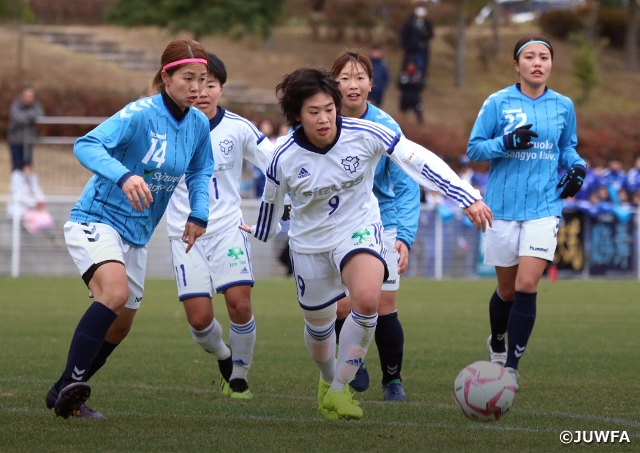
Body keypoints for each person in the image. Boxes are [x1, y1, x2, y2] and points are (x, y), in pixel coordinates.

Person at [240, 67, 492, 421]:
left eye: (330, 108)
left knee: (369, 299)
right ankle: (329, 383)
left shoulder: (368, 132)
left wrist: (465, 196)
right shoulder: (283, 157)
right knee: (319, 326)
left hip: (358, 228)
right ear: (298, 115)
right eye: (314, 112)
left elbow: (418, 160)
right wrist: (261, 231)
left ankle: (342, 389)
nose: (325, 118)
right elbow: (271, 204)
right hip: (309, 245)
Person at [45, 38, 214, 419]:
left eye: (202, 80)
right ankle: (73, 390)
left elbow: (201, 169)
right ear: (165, 77)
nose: (196, 88)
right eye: (188, 78)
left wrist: (198, 213)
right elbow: (87, 145)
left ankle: (61, 390)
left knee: (120, 327)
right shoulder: (140, 114)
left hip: (138, 235)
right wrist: (123, 177)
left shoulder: (198, 124)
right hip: (97, 219)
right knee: (114, 293)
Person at [467, 35, 587, 390]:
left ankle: (512, 367)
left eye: (545, 57)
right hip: (502, 207)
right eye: (530, 57)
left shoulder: (563, 105)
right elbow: (474, 149)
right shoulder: (498, 102)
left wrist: (577, 167)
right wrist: (505, 143)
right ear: (516, 64)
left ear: (551, 64)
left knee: (526, 284)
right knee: (506, 290)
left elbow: (568, 148)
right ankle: (497, 342)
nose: (538, 62)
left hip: (544, 207)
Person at [165, 53, 273, 400]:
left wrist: (286, 207)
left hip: (228, 228)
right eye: (196, 83)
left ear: (221, 89)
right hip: (185, 235)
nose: (203, 91)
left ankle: (239, 375)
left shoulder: (239, 129)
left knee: (240, 304)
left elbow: (277, 165)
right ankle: (225, 356)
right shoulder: (167, 128)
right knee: (199, 319)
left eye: (211, 84)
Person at [329, 49, 420, 401]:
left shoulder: (386, 126)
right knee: (341, 306)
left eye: (360, 77)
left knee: (384, 304)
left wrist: (406, 236)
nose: (352, 85)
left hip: (382, 222)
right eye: (344, 78)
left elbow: (408, 182)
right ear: (333, 84)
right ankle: (354, 362)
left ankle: (393, 381)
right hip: (334, 224)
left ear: (371, 84)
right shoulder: (320, 119)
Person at [8, 85, 44, 172]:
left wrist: (26, 115)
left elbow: (39, 116)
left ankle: (26, 185)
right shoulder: (16, 105)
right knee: (17, 167)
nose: (29, 98)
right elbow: (17, 118)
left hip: (29, 141)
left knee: (28, 167)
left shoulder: (36, 106)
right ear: (22, 96)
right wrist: (30, 118)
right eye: (27, 96)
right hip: (16, 141)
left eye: (31, 96)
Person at [399, 5, 434, 80]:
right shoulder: (409, 23)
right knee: (409, 64)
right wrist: (404, 45)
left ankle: (419, 80)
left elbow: (431, 34)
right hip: (411, 49)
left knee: (421, 66)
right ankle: (407, 79)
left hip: (422, 49)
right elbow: (404, 35)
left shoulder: (427, 23)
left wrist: (425, 35)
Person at [397, 59, 425, 124]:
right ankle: (403, 125)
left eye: (412, 65)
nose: (411, 66)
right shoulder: (403, 74)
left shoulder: (418, 74)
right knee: (403, 113)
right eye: (409, 65)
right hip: (405, 96)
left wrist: (411, 84)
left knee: (418, 112)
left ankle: (419, 125)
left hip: (415, 97)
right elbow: (399, 84)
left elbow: (421, 85)